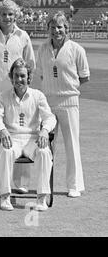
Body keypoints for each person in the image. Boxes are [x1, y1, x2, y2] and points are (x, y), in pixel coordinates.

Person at [0, 0, 36, 193]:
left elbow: (29, 66)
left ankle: (20, 183)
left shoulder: (23, 36)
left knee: (20, 133)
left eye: (11, 14)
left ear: (16, 16)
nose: (7, 17)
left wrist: (17, 85)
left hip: (17, 94)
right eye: (3, 14)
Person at [0, 58, 57, 211]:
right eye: (16, 76)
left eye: (22, 76)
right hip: (12, 138)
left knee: (44, 152)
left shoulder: (38, 96)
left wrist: (45, 130)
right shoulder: (3, 96)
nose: (19, 79)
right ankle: (5, 196)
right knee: (5, 152)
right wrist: (2, 130)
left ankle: (41, 198)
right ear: (11, 77)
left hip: (32, 138)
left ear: (29, 77)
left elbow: (50, 117)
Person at [36, 11, 90, 198]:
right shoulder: (42, 49)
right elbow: (43, 75)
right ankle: (45, 184)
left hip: (69, 101)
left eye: (60, 27)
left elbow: (84, 77)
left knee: (71, 144)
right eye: (53, 27)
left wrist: (68, 87)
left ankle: (74, 185)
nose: (56, 31)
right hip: (48, 101)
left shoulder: (77, 49)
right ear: (48, 29)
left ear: (67, 29)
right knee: (47, 144)